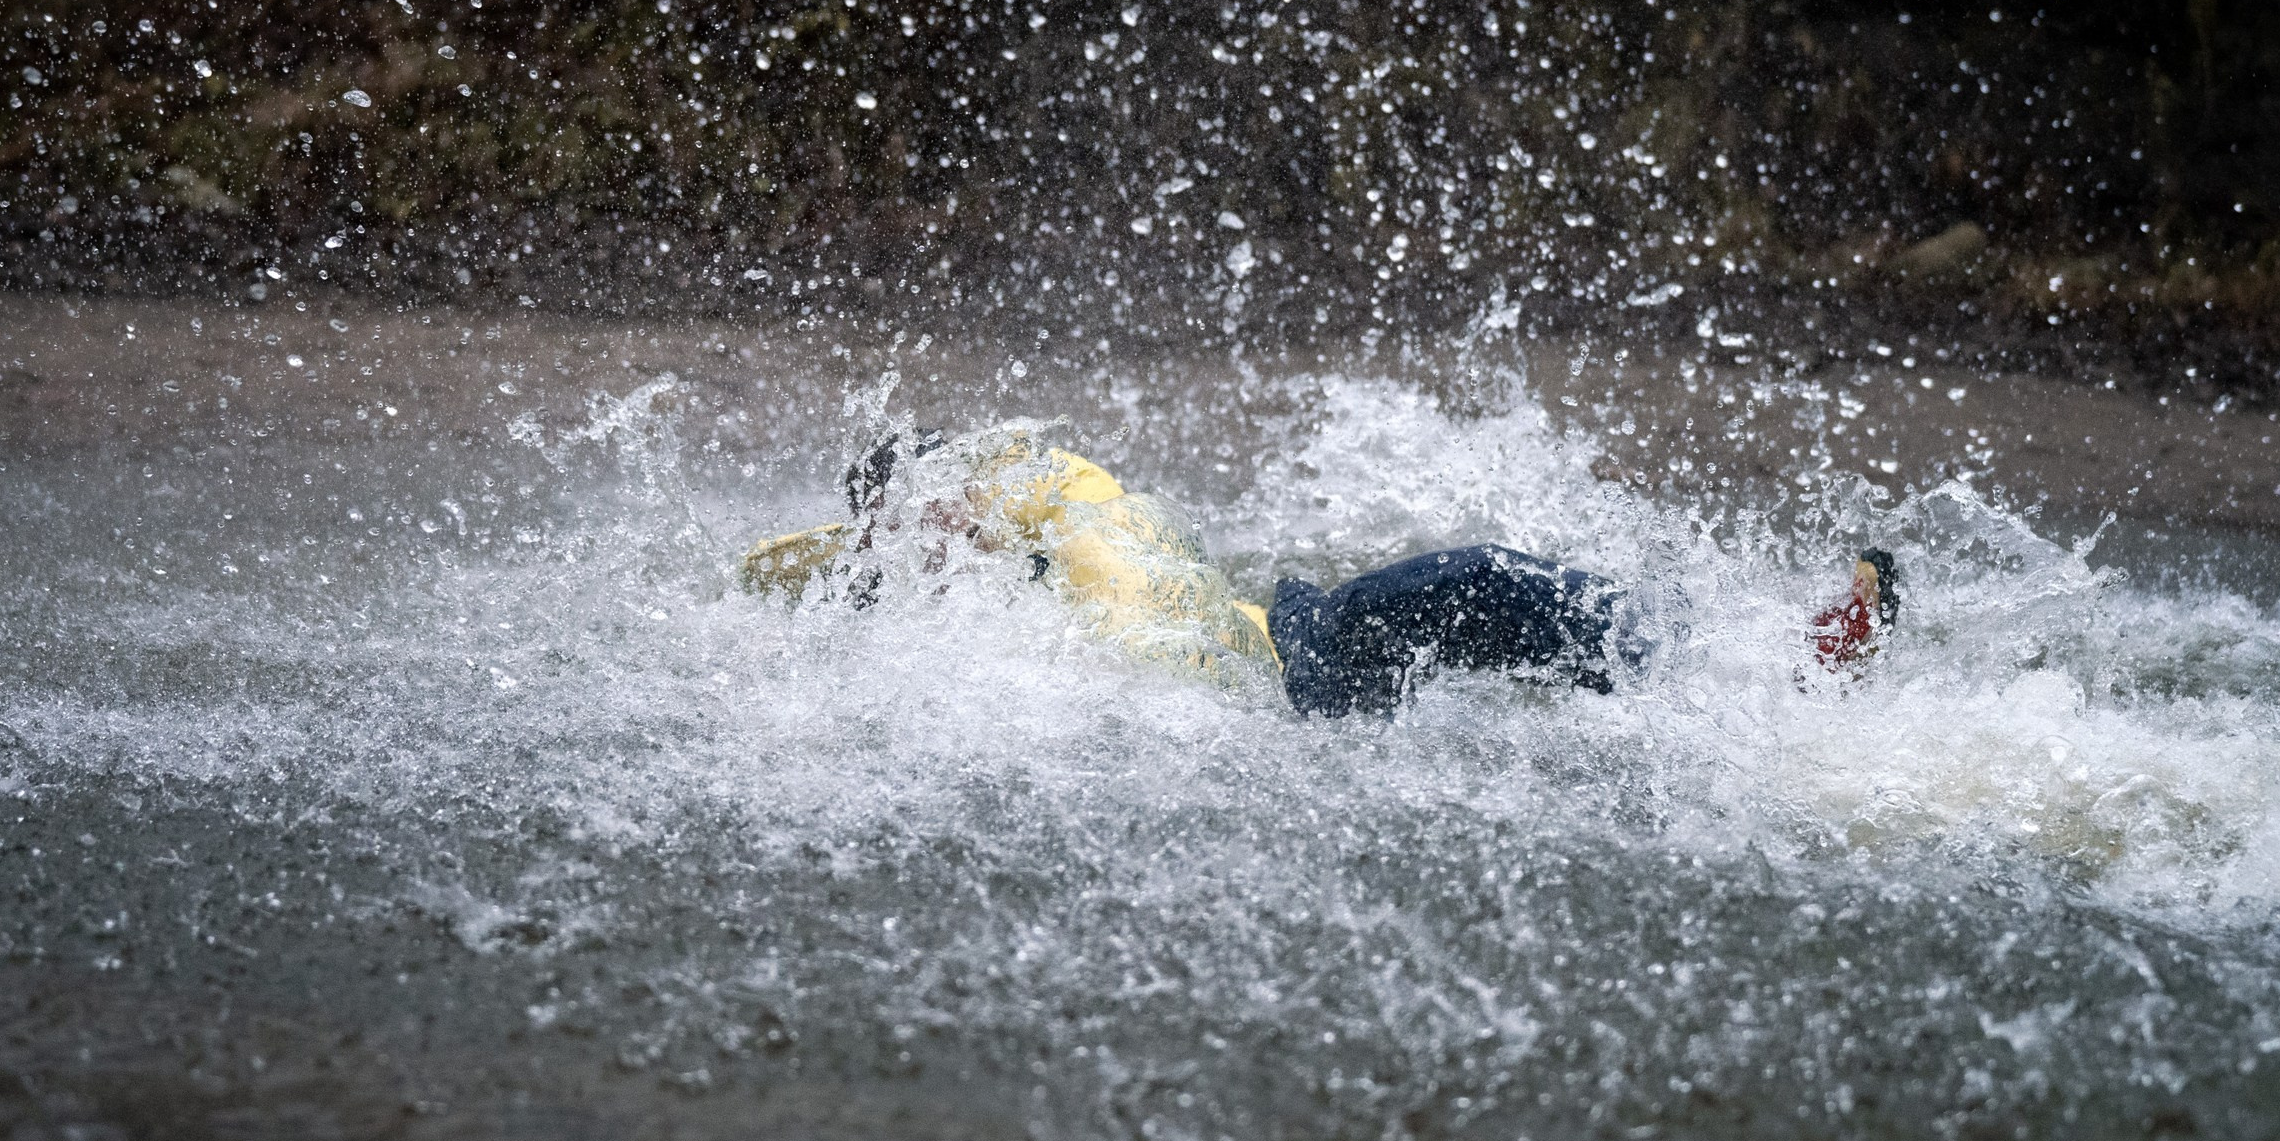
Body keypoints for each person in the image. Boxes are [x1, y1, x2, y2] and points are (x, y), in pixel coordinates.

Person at [742, 425, 1895, 715]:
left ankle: (1757, 661)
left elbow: (1075, 503)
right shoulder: (936, 614)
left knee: (1513, 615)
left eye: (957, 491)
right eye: (931, 504)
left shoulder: (1040, 538)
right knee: (1480, 580)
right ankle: (1774, 674)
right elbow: (767, 574)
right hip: (1295, 672)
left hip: (1289, 638)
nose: (957, 517)